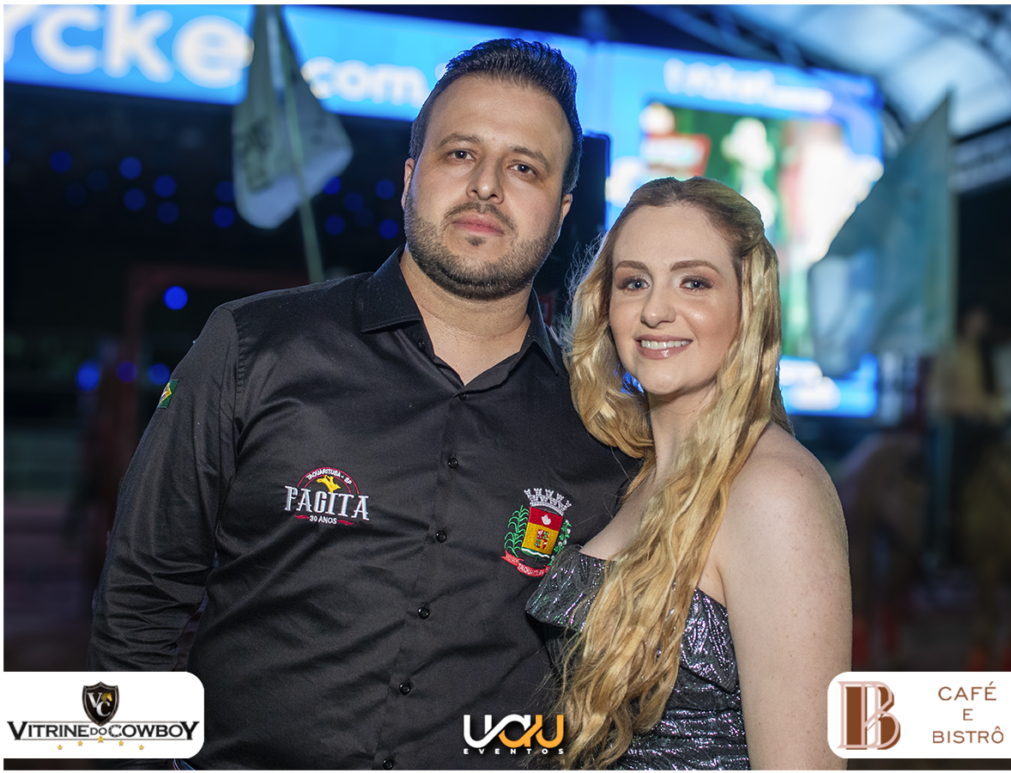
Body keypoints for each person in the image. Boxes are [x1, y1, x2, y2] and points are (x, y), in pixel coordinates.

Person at [87, 39, 632, 769]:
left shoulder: (604, 428)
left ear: (561, 211)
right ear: (410, 177)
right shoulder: (253, 346)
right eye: (460, 154)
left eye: (524, 167)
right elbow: (140, 605)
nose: (487, 186)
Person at [527, 177, 851, 769]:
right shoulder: (634, 471)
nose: (655, 311)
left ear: (749, 304)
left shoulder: (776, 492)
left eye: (694, 282)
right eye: (634, 283)